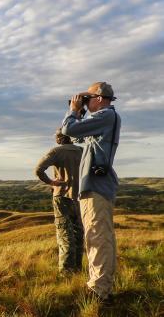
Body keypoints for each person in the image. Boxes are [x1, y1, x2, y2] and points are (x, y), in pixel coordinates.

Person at [61, 82, 121, 302]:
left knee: (97, 238)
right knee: (99, 237)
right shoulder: (104, 120)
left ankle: (99, 291)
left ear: (98, 98)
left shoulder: (106, 115)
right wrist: (81, 112)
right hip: (95, 186)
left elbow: (68, 129)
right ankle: (101, 286)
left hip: (96, 186)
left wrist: (74, 111)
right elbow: (76, 137)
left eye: (87, 100)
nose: (84, 103)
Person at [34, 128, 84, 275]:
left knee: (64, 235)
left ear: (59, 138)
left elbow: (38, 169)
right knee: (78, 234)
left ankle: (66, 273)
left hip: (61, 196)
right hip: (79, 197)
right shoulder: (80, 151)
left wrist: (51, 182)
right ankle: (77, 270)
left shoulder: (56, 151)